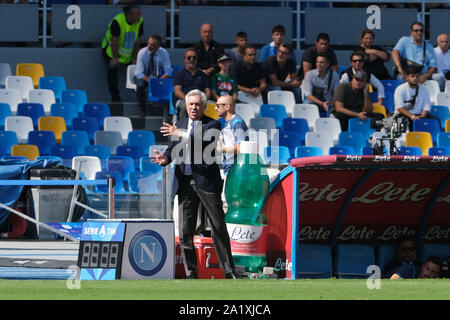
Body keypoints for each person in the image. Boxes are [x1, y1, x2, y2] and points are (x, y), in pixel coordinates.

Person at [150, 89, 239, 279]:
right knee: (185, 230)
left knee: (217, 226)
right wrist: (164, 159)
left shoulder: (213, 124)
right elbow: (173, 149)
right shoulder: (180, 125)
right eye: (190, 104)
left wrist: (180, 134)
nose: (194, 107)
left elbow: (203, 145)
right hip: (184, 182)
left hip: (207, 182)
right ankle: (191, 273)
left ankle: (229, 271)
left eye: (198, 104)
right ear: (186, 106)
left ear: (204, 106)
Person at [102, 4, 143, 102]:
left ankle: (142, 98)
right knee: (112, 72)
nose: (139, 16)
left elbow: (138, 41)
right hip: (111, 51)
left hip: (128, 54)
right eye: (137, 14)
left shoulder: (140, 21)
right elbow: (114, 40)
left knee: (136, 74)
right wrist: (115, 58)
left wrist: (134, 58)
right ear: (129, 15)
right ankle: (115, 99)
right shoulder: (117, 21)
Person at [392, 21, 440, 86]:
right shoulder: (404, 40)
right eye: (416, 31)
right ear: (411, 32)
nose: (419, 32)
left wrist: (425, 76)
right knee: (400, 77)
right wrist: (400, 69)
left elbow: (433, 66)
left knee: (439, 77)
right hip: (407, 73)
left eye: (421, 30)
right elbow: (395, 52)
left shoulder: (429, 46)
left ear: (423, 32)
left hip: (422, 74)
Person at [134, 34, 172, 116]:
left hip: (158, 77)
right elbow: (139, 73)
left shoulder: (164, 53)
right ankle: (142, 110)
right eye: (149, 43)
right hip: (144, 77)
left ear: (158, 46)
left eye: (153, 45)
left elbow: (168, 72)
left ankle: (168, 110)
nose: (150, 46)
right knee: (140, 85)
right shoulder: (142, 53)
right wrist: (150, 81)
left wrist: (158, 80)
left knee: (168, 82)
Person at [393, 65, 439, 131]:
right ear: (407, 77)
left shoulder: (424, 90)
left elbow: (427, 106)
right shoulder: (400, 89)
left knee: (435, 120)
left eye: (417, 76)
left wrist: (423, 115)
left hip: (420, 115)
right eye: (412, 76)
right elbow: (400, 108)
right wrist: (412, 116)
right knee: (405, 121)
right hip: (404, 115)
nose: (415, 78)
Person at [173, 48, 211, 120]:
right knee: (185, 106)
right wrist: (189, 100)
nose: (191, 60)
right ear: (185, 59)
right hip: (184, 100)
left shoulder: (203, 75)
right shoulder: (179, 74)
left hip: (201, 100)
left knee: (214, 105)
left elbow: (208, 91)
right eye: (189, 57)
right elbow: (177, 91)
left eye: (194, 58)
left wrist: (203, 101)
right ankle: (183, 128)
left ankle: (209, 128)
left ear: (197, 60)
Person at [215, 95, 248, 175]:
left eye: (217, 106)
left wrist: (221, 149)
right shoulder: (229, 122)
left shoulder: (237, 123)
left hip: (236, 169)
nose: (215, 108)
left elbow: (241, 147)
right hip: (231, 168)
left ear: (227, 107)